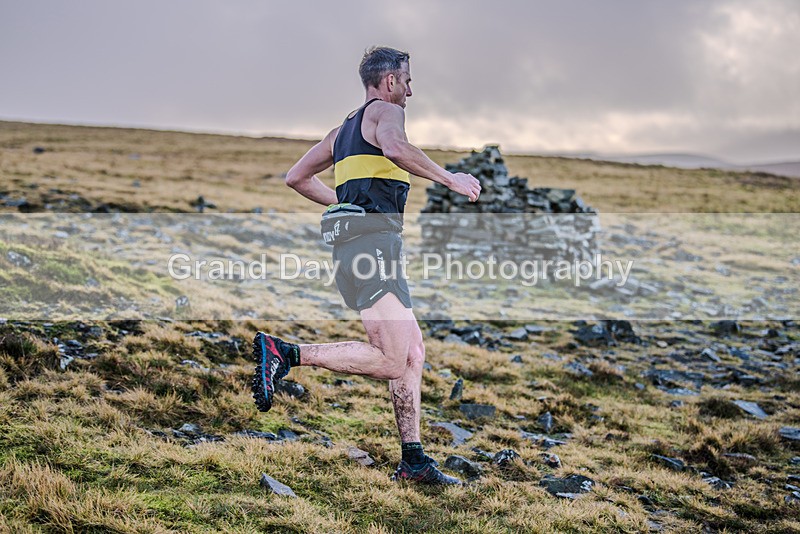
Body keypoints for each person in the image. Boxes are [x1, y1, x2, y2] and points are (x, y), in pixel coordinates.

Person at [251, 46, 481, 485]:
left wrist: (345, 203)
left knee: (412, 352)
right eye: (407, 80)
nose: (411, 90)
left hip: (362, 246)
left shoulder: (343, 131)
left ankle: (413, 461)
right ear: (390, 80)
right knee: (394, 359)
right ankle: (286, 353)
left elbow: (295, 177)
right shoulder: (386, 113)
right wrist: (451, 179)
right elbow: (396, 148)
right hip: (373, 245)